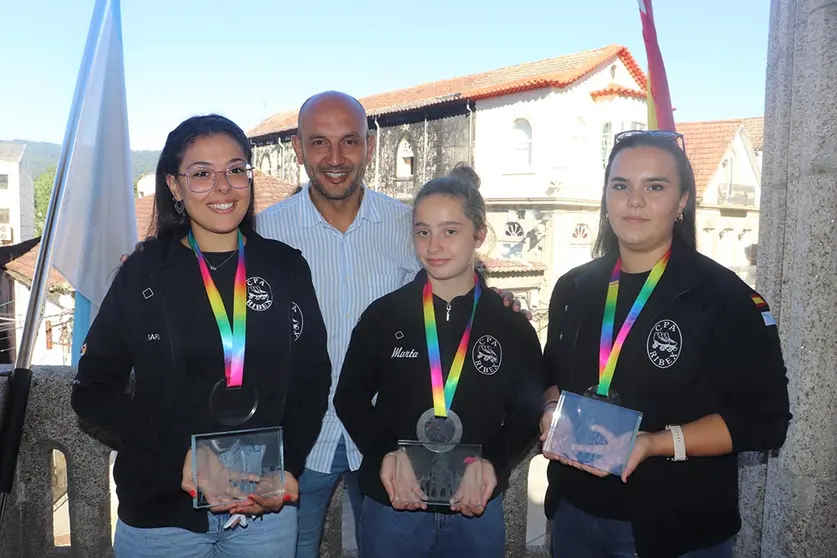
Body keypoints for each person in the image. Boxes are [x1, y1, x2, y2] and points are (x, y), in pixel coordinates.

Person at [256, 91, 528, 556]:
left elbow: (450, 281)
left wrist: (496, 299)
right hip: (301, 438)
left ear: (370, 146)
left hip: (393, 443)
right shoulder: (264, 232)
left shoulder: (406, 224)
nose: (336, 158)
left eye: (350, 142)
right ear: (297, 150)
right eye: (319, 143)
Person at [72, 114, 332, 557]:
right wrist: (183, 454)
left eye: (235, 169)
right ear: (173, 185)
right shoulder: (144, 273)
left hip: (262, 514)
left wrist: (287, 466)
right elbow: (93, 391)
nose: (223, 186)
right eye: (201, 174)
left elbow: (312, 378)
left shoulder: (285, 267)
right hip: (161, 516)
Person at [538, 130, 791, 558]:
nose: (634, 200)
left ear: (682, 202)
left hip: (676, 530)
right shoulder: (573, 287)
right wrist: (549, 409)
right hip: (574, 516)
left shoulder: (725, 297)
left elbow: (765, 420)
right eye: (621, 186)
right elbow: (550, 374)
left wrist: (654, 443)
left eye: (655, 186)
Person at [333, 164, 543, 558]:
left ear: (479, 234)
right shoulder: (384, 315)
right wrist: (385, 455)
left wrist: (494, 464)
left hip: (475, 505)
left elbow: (527, 412)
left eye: (450, 231)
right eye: (422, 231)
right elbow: (349, 398)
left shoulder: (510, 323)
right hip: (395, 501)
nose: (433, 246)